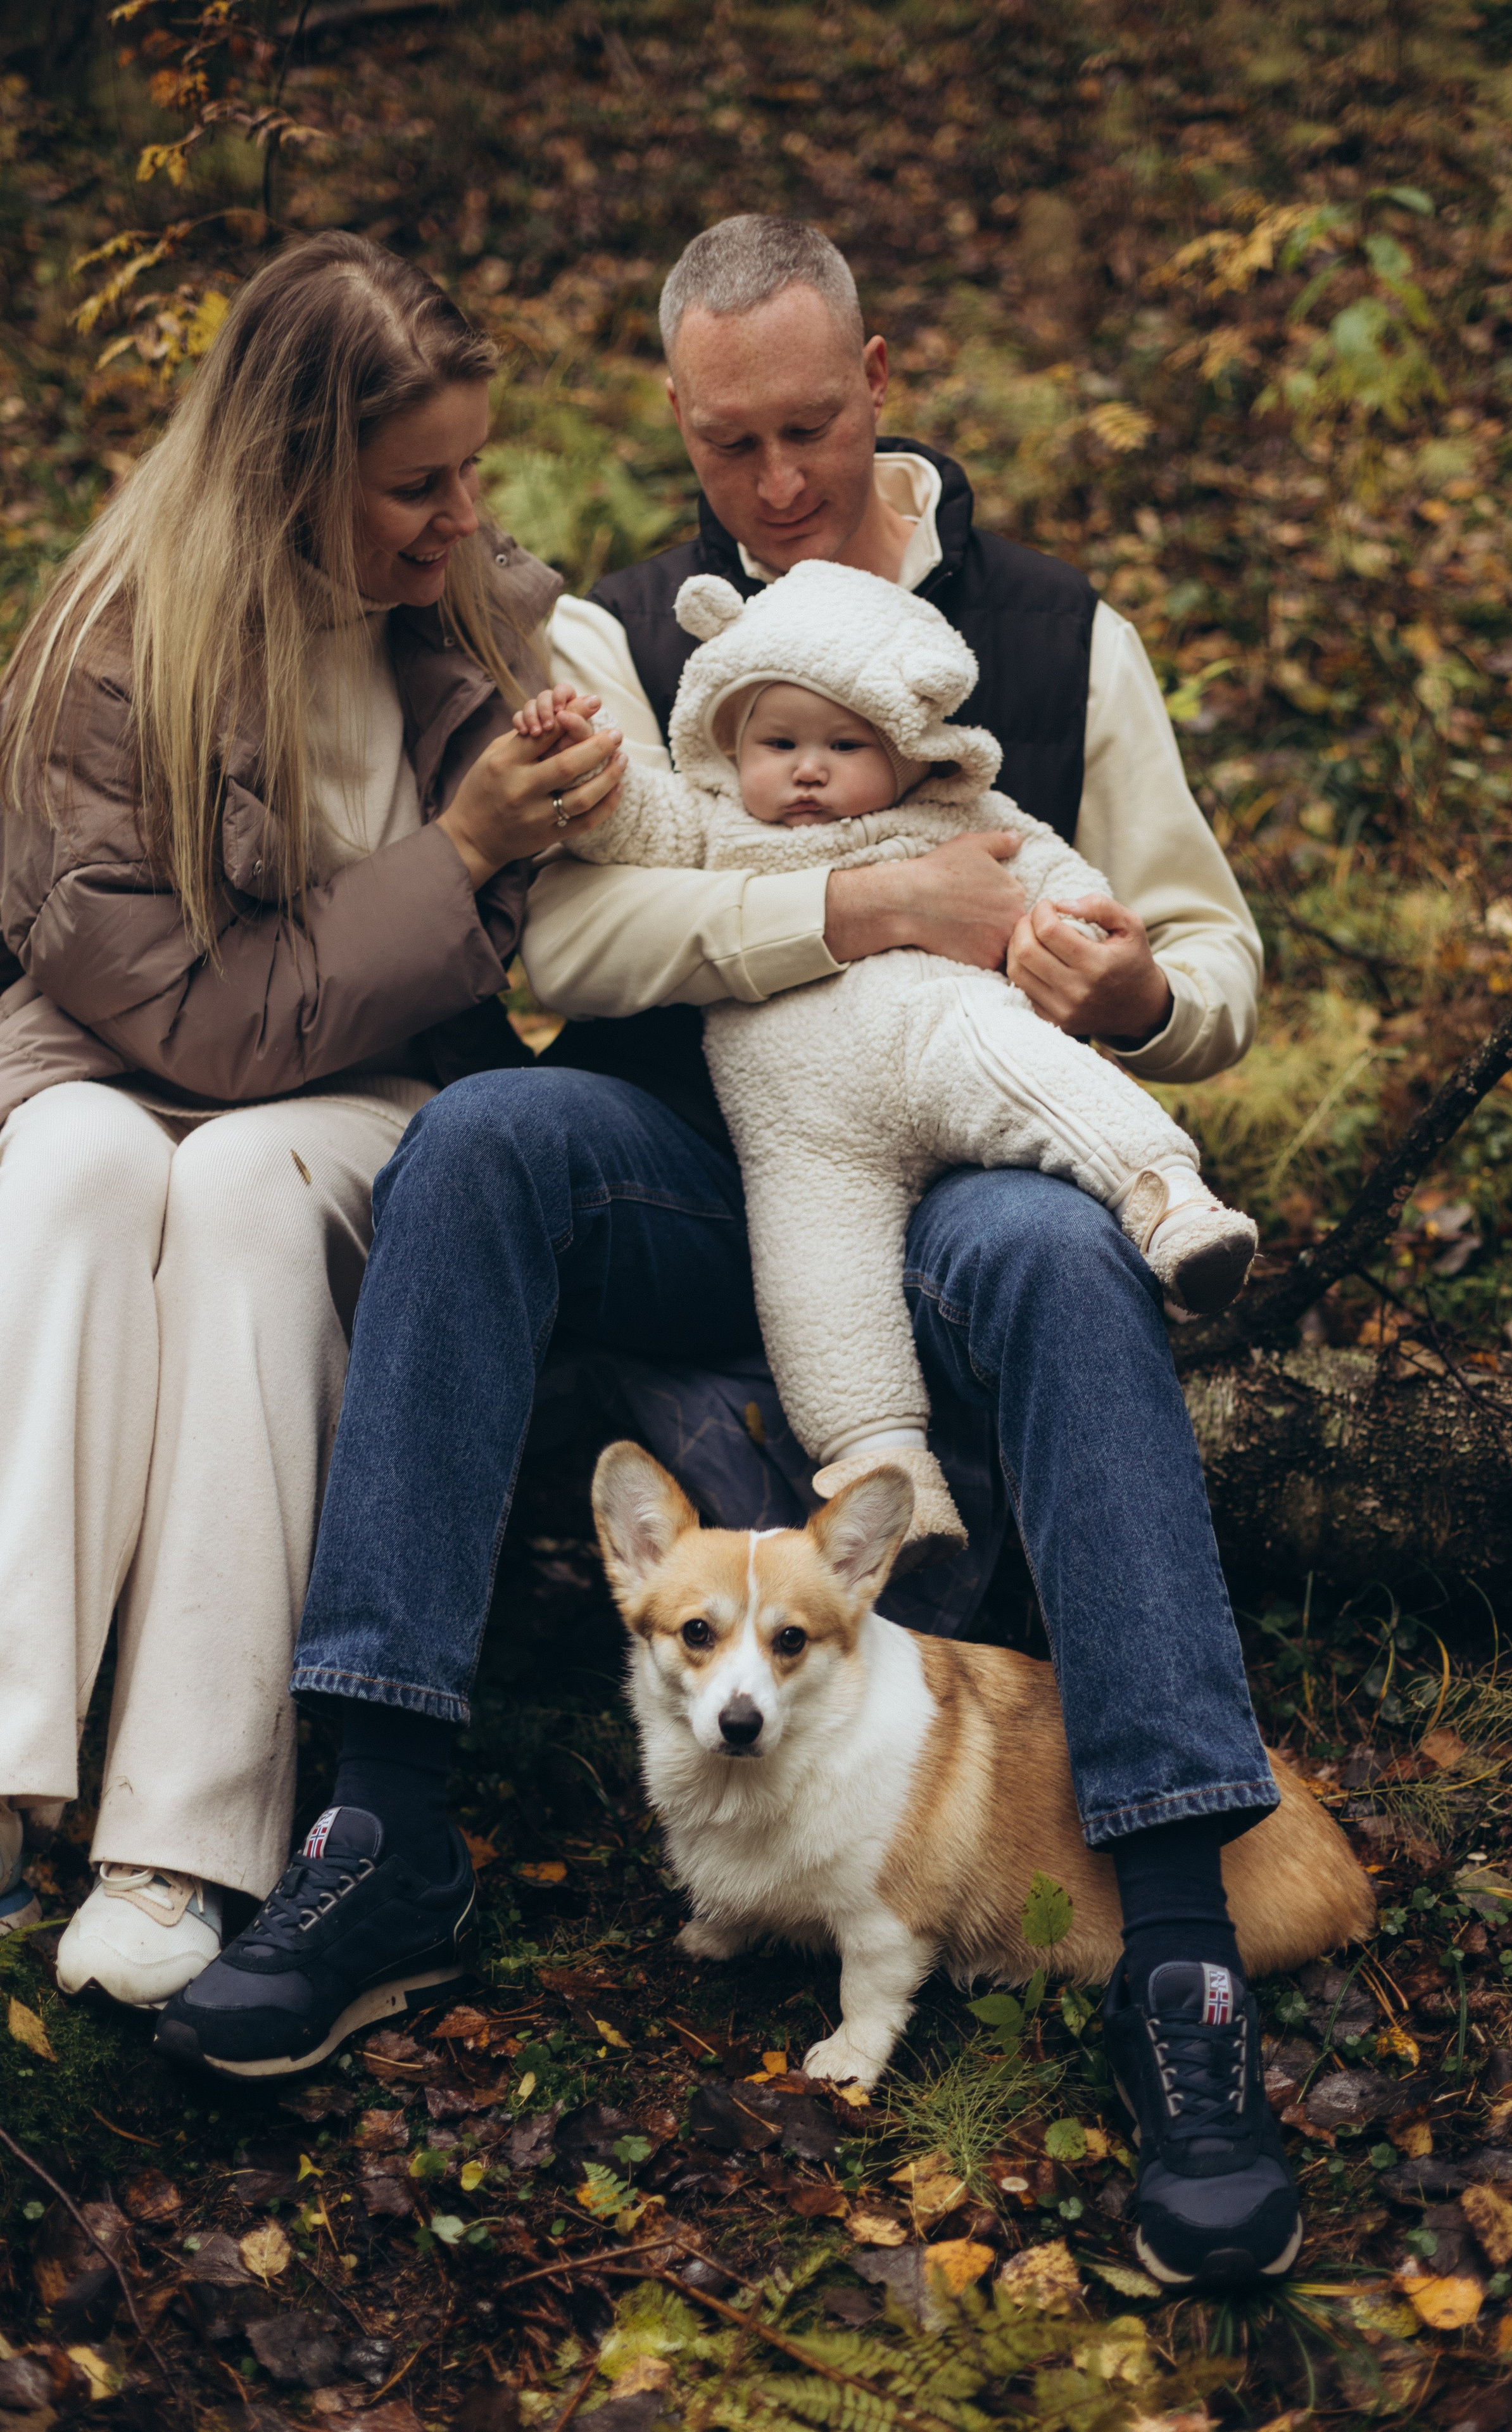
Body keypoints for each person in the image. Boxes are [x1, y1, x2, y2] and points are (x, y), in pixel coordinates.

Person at [162, 218, 1302, 2295]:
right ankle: (382, 1818)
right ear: (675, 425)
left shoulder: (1054, 642)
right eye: (725, 447)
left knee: (1058, 1257)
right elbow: (574, 940)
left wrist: (1133, 999)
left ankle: (1180, 1943)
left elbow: (1215, 959)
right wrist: (866, 913)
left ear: (885, 375)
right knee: (493, 1132)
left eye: (804, 428)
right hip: (694, 1174)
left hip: (970, 1181)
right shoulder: (603, 635)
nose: (773, 487)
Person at [0, 232, 622, 2010]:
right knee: (81, 1161)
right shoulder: (111, 666)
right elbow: (198, 1018)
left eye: (470, 474)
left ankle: (180, 1845)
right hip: (123, 1068)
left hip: (357, 1103)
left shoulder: (478, 620)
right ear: (288, 475)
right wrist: (466, 851)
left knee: (256, 1186)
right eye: (415, 484)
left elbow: (575, 899)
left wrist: (544, 811)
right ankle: (5, 1771)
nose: (459, 519)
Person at [519, 557, 1257, 1563]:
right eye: (777, 743)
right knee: (817, 1294)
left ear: (910, 752)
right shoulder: (721, 821)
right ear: (733, 745)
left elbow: (1061, 881)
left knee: (1036, 1076)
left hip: (940, 1041)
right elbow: (625, 823)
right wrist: (580, 762)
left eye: (843, 743)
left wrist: (1096, 948)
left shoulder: (957, 816)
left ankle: (1168, 1200)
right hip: (800, 1129)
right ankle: (885, 1470)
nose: (807, 769)